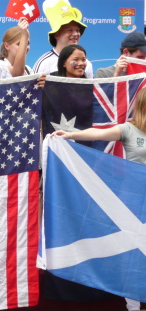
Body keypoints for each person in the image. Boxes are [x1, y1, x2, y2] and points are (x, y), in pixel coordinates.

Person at [54, 87, 146, 311]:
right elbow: (98, 134)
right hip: (133, 202)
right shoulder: (129, 129)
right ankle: (133, 305)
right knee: (132, 253)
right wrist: (70, 135)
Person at [33, 0, 93, 78]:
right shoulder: (44, 62)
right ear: (57, 35)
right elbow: (33, 88)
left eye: (77, 31)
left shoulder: (86, 64)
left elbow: (89, 89)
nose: (75, 34)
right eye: (69, 30)